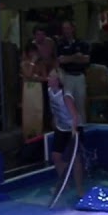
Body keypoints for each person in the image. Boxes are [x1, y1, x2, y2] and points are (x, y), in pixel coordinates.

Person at [46, 70, 85, 198]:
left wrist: (74, 132)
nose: (48, 78)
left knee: (76, 159)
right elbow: (55, 108)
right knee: (56, 156)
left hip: (73, 127)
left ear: (57, 80)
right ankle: (65, 184)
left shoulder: (66, 95)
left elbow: (74, 115)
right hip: (61, 127)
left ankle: (80, 190)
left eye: (51, 77)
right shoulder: (50, 92)